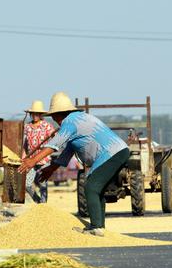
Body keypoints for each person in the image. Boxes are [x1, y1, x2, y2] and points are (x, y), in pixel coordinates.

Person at [19, 92, 129, 237]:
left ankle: (96, 227)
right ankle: (99, 227)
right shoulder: (78, 118)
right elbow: (69, 149)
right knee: (98, 189)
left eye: (53, 116)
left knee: (91, 187)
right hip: (119, 151)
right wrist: (52, 168)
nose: (53, 120)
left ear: (59, 114)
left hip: (111, 153)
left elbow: (54, 145)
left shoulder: (69, 122)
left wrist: (32, 161)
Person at [22, 100, 55, 204]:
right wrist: (24, 157)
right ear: (31, 114)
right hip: (31, 160)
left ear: (41, 114)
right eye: (33, 113)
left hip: (43, 160)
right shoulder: (27, 127)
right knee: (27, 184)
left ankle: (44, 205)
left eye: (37, 113)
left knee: (42, 184)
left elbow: (55, 140)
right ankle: (38, 202)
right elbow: (25, 144)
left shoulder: (47, 126)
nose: (35, 115)